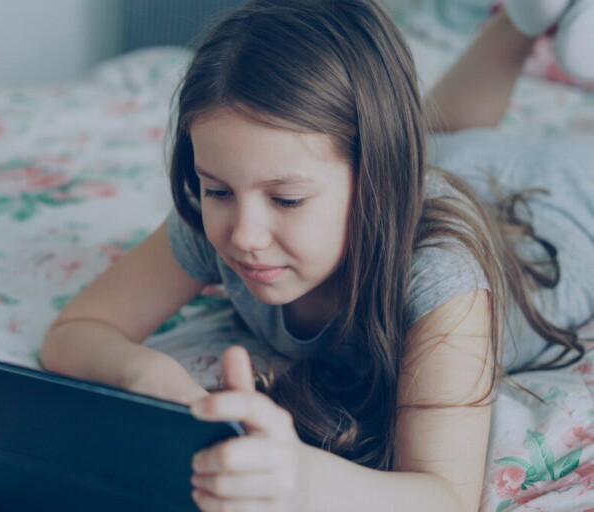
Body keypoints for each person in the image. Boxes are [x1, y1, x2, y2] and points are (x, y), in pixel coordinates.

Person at [39, 0, 594, 510]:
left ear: (378, 182)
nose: (245, 235)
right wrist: (148, 374)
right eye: (217, 190)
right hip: (464, 170)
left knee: (448, 147)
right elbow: (77, 330)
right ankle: (522, 21)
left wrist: (301, 478)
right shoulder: (223, 216)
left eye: (287, 199)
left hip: (569, 200)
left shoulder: (443, 276)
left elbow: (444, 497)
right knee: (438, 142)